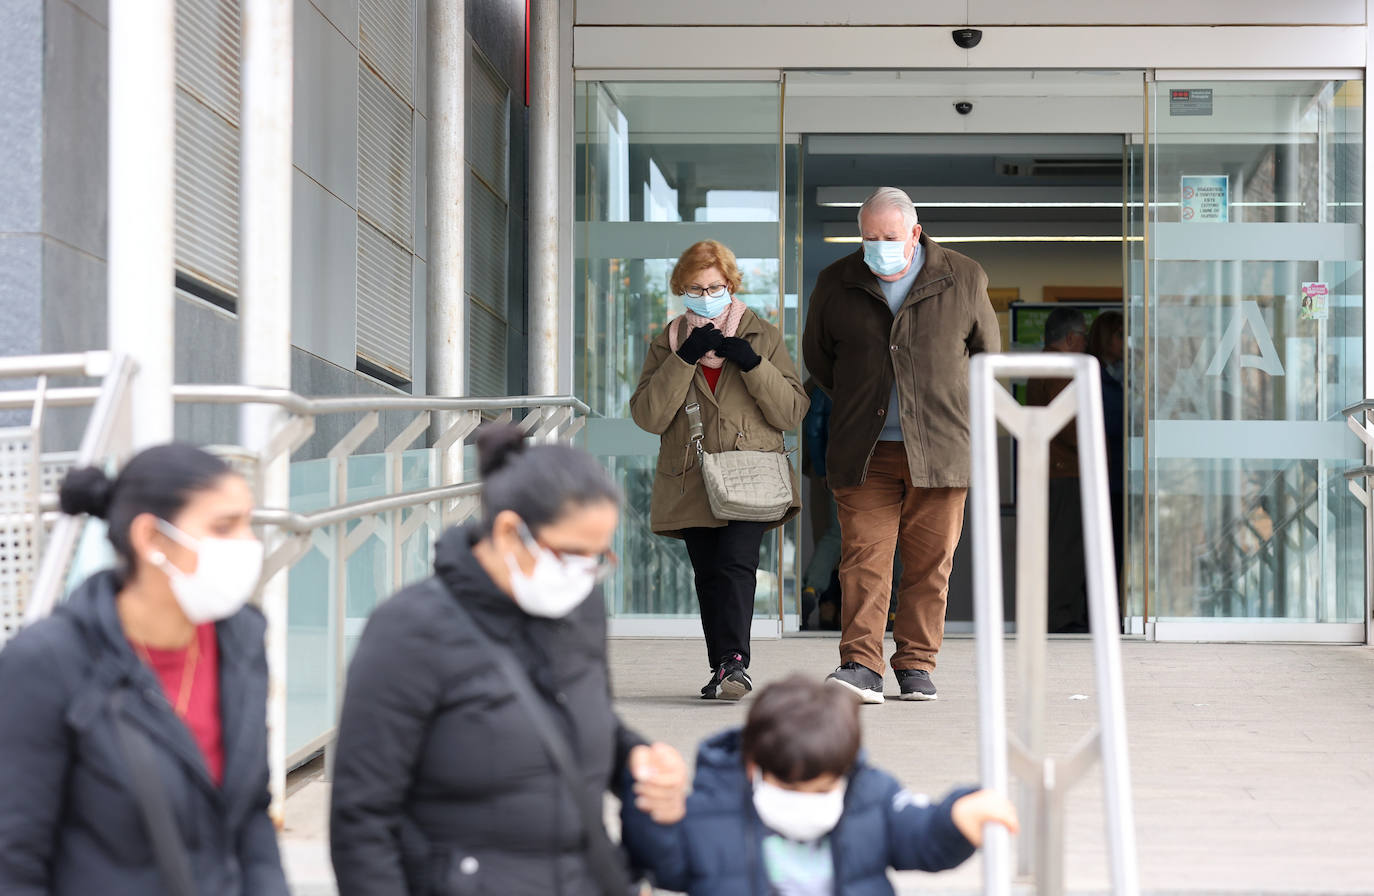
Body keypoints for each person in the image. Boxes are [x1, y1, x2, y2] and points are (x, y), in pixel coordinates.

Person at [329, 424, 688, 896]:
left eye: (599, 555)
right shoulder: (409, 630)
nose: (587, 571)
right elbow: (361, 820)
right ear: (509, 533)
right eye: (574, 552)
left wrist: (637, 759)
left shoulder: (579, 606)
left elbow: (583, 713)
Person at [0, 444, 289, 895]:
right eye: (223, 527)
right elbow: (14, 857)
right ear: (152, 539)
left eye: (248, 523)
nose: (248, 544)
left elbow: (250, 809)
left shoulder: (240, 641)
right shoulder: (47, 662)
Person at [802, 187, 1000, 703]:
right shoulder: (837, 281)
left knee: (930, 564)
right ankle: (861, 665)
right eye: (868, 238)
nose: (877, 247)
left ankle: (915, 665)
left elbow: (987, 358)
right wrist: (864, 399)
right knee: (864, 559)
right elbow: (820, 363)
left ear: (915, 233)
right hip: (865, 452)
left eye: (888, 238)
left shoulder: (963, 276)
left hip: (939, 451)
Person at [621, 675, 1019, 896]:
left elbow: (921, 835)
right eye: (788, 788)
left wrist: (955, 818)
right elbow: (665, 862)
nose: (804, 802)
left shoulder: (871, 799)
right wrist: (655, 814)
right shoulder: (714, 809)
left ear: (845, 771)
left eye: (822, 789)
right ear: (752, 767)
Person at [631, 240, 808, 700]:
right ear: (681, 289)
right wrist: (685, 358)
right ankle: (724, 667)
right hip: (692, 477)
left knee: (735, 565)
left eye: (715, 286)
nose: (706, 295)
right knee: (709, 574)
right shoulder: (668, 341)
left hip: (750, 473)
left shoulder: (763, 335)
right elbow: (648, 415)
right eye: (695, 287)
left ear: (730, 285)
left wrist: (751, 363)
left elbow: (791, 410)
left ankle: (734, 662)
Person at [1027, 306, 1091, 633]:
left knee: (1058, 546)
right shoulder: (1058, 368)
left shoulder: (1043, 364)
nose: (1086, 344)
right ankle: (1062, 617)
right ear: (1070, 337)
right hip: (1065, 471)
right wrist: (1095, 446)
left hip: (1050, 470)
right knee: (1066, 548)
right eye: (1084, 336)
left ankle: (1061, 614)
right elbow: (1068, 425)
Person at [1087, 310, 1126, 602]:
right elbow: (1108, 421)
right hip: (1104, 478)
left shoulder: (1124, 373)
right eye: (1120, 334)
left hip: (1122, 478)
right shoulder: (1093, 376)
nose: (1126, 341)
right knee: (1105, 550)